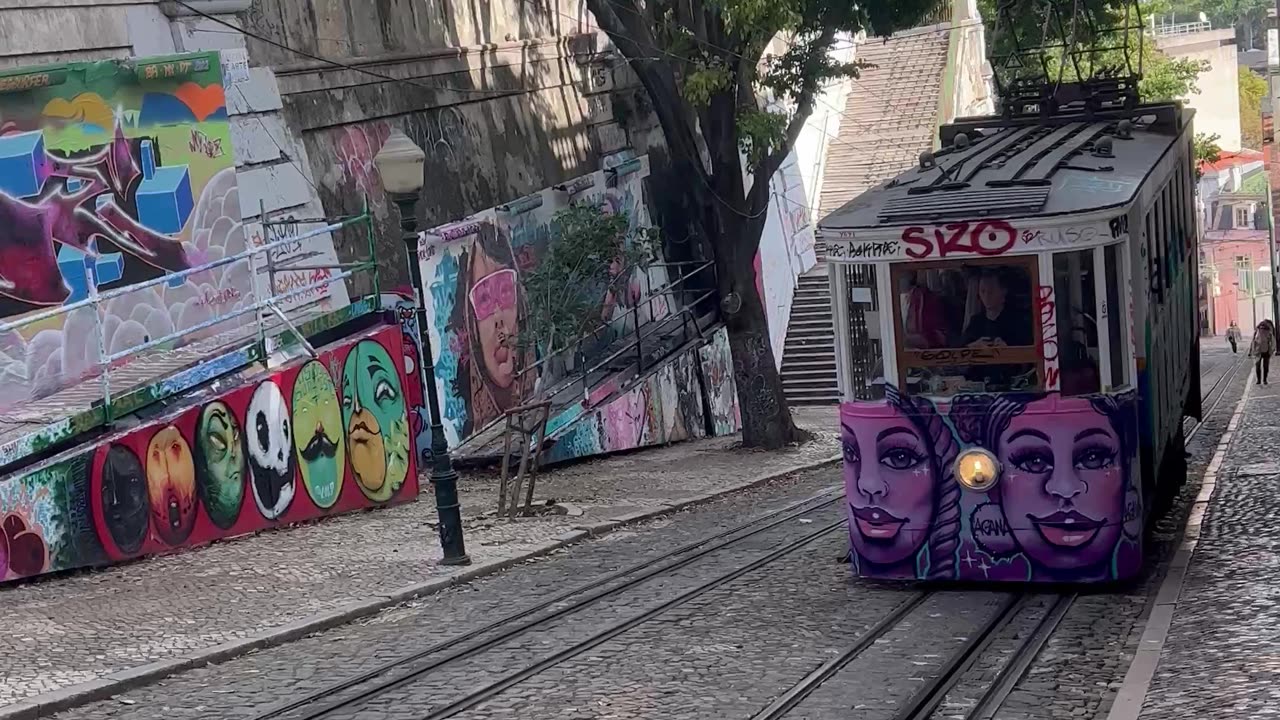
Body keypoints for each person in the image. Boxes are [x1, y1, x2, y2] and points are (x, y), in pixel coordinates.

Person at [962, 270, 1032, 348]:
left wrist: (1008, 348)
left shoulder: (1018, 320)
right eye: (982, 291)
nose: (986, 296)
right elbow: (959, 348)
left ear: (1003, 291)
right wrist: (974, 345)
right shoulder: (976, 322)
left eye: (991, 291)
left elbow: (1029, 347)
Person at [1250, 320, 1277, 385]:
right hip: (1260, 351)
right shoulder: (1261, 332)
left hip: (1262, 351)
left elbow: (1272, 342)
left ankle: (1263, 380)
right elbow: (1253, 342)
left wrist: (1252, 350)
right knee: (1260, 366)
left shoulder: (1265, 332)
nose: (1262, 328)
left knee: (1262, 366)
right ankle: (1261, 380)